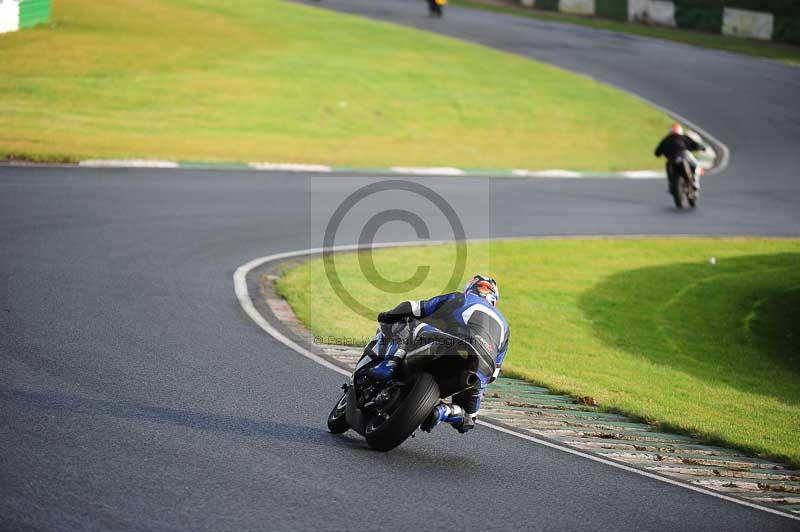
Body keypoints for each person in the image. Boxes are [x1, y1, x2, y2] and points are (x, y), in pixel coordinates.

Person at [368, 275, 510, 434]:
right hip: (480, 369)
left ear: (470, 288)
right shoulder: (505, 326)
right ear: (494, 299)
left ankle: (390, 364)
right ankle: (446, 412)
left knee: (409, 322)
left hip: (454, 343)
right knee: (468, 419)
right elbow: (494, 375)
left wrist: (387, 315)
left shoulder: (460, 297)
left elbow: (415, 307)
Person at [654, 123, 706, 191]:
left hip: (678, 157)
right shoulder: (682, 137)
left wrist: (700, 147)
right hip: (678, 157)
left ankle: (692, 182)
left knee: (696, 165)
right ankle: (675, 184)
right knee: (696, 165)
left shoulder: (667, 139)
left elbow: (657, 152)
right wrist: (701, 148)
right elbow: (695, 145)